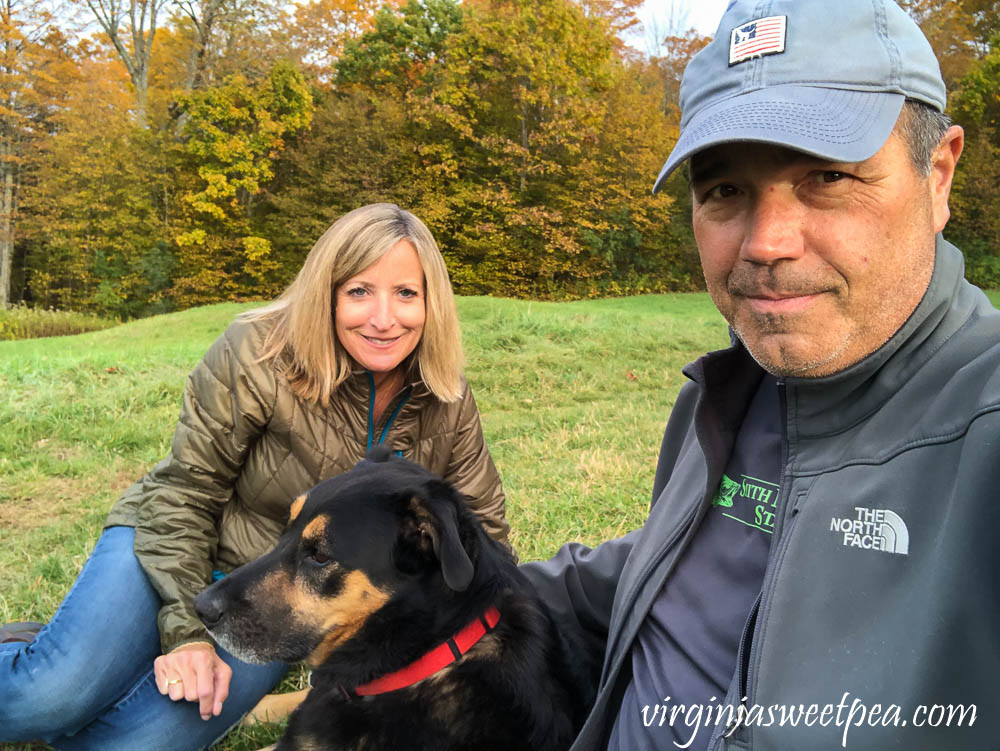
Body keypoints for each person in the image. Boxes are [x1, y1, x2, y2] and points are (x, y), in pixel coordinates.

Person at [522, 1, 999, 749]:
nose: (766, 243)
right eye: (724, 191)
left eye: (829, 177)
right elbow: (677, 561)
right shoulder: (723, 395)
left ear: (937, 175)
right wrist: (461, 584)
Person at [0, 203, 511, 750]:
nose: (384, 318)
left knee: (130, 744)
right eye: (360, 290)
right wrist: (188, 638)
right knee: (50, 696)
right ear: (328, 292)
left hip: (277, 595)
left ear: (432, 303)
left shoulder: (446, 398)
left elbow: (485, 534)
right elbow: (183, 492)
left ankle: (97, 658)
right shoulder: (256, 353)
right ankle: (40, 651)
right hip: (171, 539)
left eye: (407, 294)